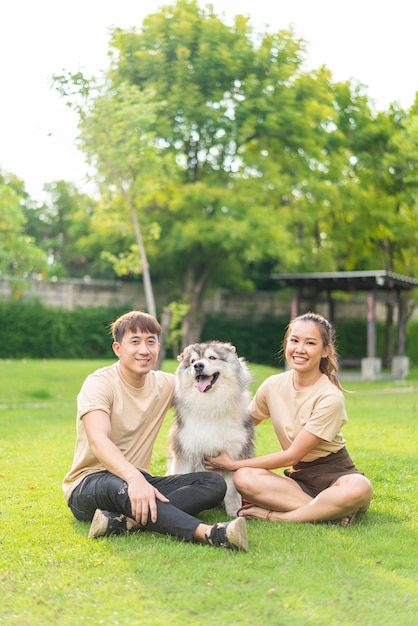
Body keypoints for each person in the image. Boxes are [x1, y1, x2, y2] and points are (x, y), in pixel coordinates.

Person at [63, 310, 248, 551]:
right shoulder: (99, 383)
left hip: (142, 482)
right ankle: (211, 533)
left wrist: (192, 359)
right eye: (135, 342)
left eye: (151, 342)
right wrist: (132, 478)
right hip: (91, 483)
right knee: (116, 486)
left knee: (213, 484)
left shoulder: (165, 384)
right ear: (117, 349)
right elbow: (99, 442)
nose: (144, 350)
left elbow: (202, 385)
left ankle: (125, 523)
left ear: (158, 347)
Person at [205, 312, 373, 526]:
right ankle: (330, 511)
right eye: (294, 341)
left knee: (360, 488)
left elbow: (293, 455)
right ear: (286, 344)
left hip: (337, 476)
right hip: (299, 482)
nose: (300, 349)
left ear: (325, 351)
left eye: (310, 343)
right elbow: (240, 426)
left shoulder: (330, 397)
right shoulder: (273, 385)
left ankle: (278, 515)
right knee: (243, 477)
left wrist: (233, 463)